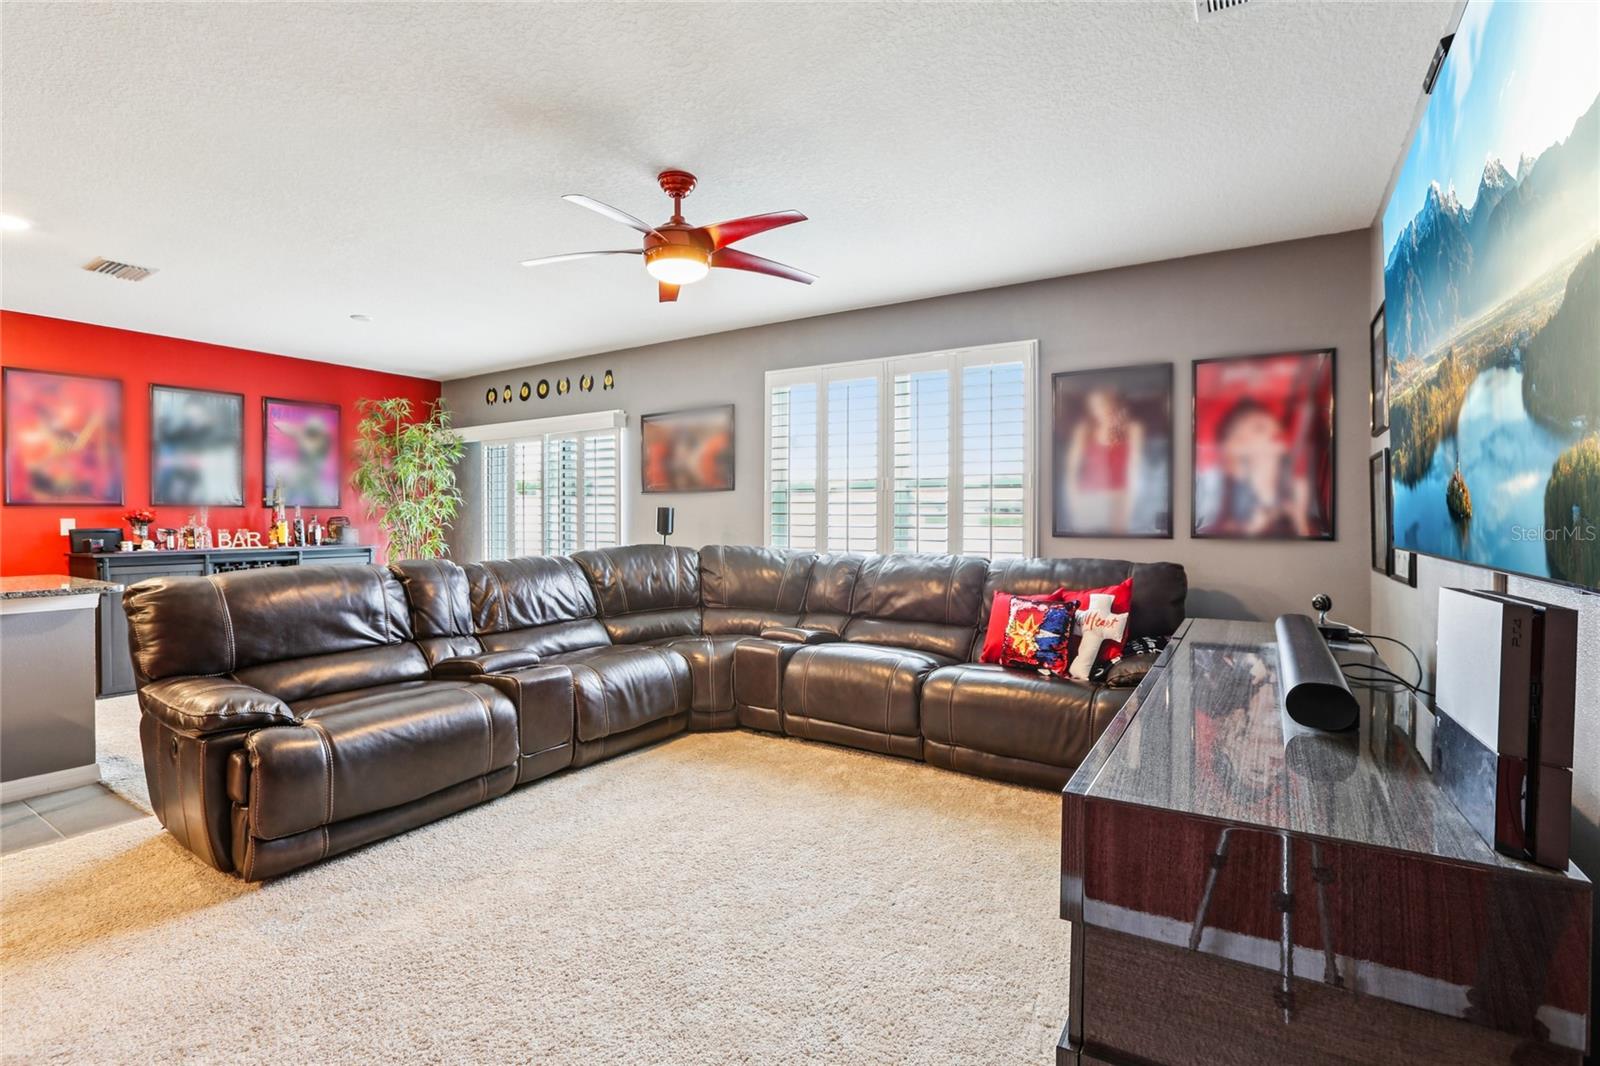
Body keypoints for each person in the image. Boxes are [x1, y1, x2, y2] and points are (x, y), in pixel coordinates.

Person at [1063, 386, 1143, 534]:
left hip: (1119, 497)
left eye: (1103, 404)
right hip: (1088, 497)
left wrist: (1129, 503)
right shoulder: (1084, 430)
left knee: (1118, 543)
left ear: (1114, 404)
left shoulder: (1132, 429)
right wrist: (1073, 502)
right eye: (1095, 406)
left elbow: (1134, 468)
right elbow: (1072, 470)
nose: (1099, 411)